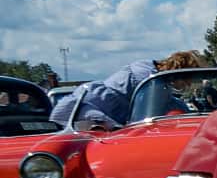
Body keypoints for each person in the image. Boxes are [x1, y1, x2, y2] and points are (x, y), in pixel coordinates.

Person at [49, 50, 204, 127]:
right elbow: (145, 120)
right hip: (94, 109)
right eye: (187, 79)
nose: (188, 85)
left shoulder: (148, 66)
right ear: (180, 73)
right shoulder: (153, 84)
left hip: (89, 98)